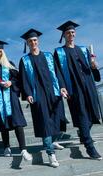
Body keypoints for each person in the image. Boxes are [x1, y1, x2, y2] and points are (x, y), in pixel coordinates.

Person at [19, 29, 68, 167]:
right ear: (27, 44)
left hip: (53, 92)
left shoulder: (48, 56)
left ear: (38, 41)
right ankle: (50, 153)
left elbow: (57, 72)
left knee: (58, 119)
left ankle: (52, 140)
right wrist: (28, 93)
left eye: (34, 40)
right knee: (45, 123)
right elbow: (24, 80)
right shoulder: (25, 60)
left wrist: (62, 86)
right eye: (30, 41)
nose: (33, 42)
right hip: (38, 95)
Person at [54, 21, 102, 160]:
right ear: (64, 35)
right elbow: (58, 72)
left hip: (88, 86)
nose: (71, 34)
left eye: (73, 32)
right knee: (81, 114)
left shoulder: (83, 49)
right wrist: (62, 87)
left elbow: (92, 70)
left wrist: (94, 66)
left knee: (93, 114)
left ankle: (83, 133)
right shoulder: (59, 52)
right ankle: (89, 147)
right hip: (74, 87)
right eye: (68, 32)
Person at [0, 40, 32, 161]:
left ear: (3, 52)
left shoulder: (9, 64)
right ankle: (6, 147)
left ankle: (23, 149)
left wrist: (11, 82)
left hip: (11, 98)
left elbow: (18, 79)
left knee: (17, 123)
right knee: (3, 124)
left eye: (0, 51)